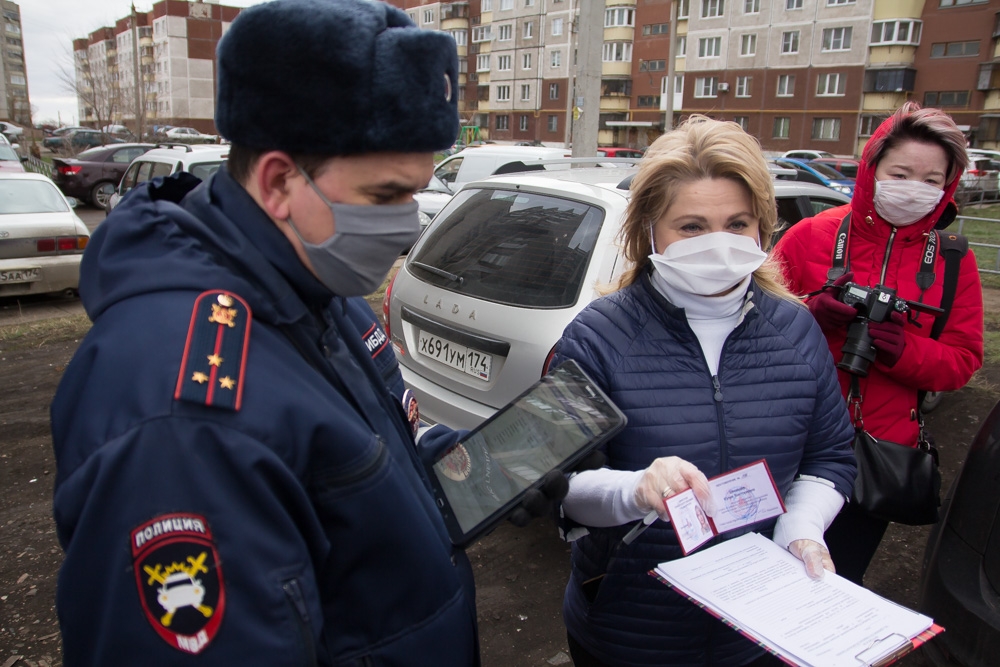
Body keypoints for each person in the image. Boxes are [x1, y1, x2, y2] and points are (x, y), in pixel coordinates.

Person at [48, 0, 567, 663]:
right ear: (278, 182)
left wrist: (476, 464)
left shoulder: (317, 292)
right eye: (386, 196)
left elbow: (348, 474)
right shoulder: (184, 418)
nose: (410, 227)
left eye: (417, 194)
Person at [551, 117, 857, 666]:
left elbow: (829, 456)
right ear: (649, 230)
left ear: (763, 227)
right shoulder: (597, 336)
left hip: (757, 629)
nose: (718, 244)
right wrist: (637, 490)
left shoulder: (796, 330)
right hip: (630, 633)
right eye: (692, 226)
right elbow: (561, 484)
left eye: (737, 223)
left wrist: (801, 530)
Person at [773, 102, 984, 584]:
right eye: (902, 172)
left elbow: (961, 361)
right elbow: (749, 327)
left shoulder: (953, 262)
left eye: (932, 180)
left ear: (948, 186)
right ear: (872, 169)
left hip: (875, 455)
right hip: (790, 439)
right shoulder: (811, 236)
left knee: (835, 579)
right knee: (768, 570)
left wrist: (902, 349)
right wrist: (810, 313)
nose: (915, 188)